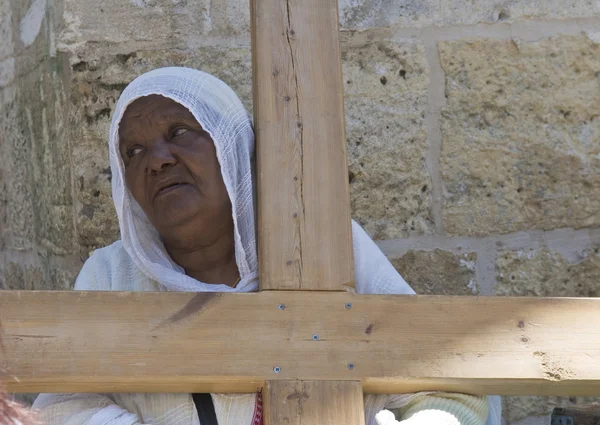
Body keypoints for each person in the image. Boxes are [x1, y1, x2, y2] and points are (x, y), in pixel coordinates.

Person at [32, 67, 501, 425]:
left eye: (178, 133)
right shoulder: (110, 276)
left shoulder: (323, 244)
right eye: (133, 152)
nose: (156, 160)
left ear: (233, 149)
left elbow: (448, 392)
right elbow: (64, 407)